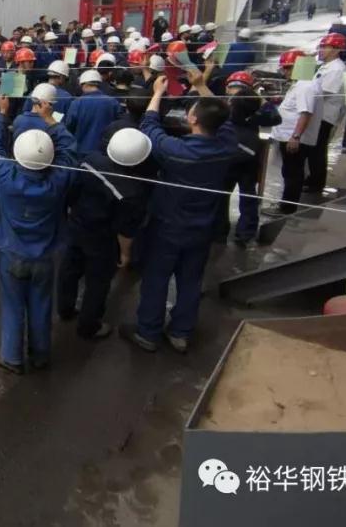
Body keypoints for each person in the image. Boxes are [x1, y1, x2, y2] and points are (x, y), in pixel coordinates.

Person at [121, 75, 234, 354]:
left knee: (156, 278)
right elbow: (224, 118)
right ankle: (181, 332)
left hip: (167, 226)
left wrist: (158, 92)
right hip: (202, 227)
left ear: (193, 119)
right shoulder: (226, 146)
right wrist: (201, 84)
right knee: (191, 281)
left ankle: (148, 332)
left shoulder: (178, 151)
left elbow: (149, 127)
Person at [0, 94, 76, 373]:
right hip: (44, 255)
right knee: (41, 305)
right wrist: (50, 120)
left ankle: (12, 357)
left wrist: (2, 114)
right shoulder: (58, 179)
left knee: (12, 305)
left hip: (11, 253)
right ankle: (40, 354)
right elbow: (70, 151)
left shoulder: (5, 175)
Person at [57, 127, 152, 339]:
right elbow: (126, 229)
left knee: (69, 269)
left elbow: (72, 190)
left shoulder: (90, 160)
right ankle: (88, 326)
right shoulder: (133, 192)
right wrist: (125, 253)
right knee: (97, 282)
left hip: (76, 225)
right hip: (102, 239)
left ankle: (65, 308)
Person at [214, 70, 280, 246]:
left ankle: (221, 232)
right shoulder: (254, 111)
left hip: (229, 158)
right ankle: (244, 233)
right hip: (247, 157)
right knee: (246, 196)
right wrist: (260, 99)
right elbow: (275, 117)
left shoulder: (223, 109)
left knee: (224, 195)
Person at [270, 49, 323, 214]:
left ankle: (287, 208)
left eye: (288, 67)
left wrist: (295, 136)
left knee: (292, 173)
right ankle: (286, 204)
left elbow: (306, 113)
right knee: (289, 172)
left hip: (292, 138)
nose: (285, 71)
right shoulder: (301, 83)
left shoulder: (305, 86)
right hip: (288, 136)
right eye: (284, 68)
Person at [305, 32, 346, 194]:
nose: (322, 50)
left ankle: (316, 183)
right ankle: (312, 178)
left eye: (326, 47)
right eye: (321, 46)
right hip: (318, 114)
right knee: (313, 149)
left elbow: (322, 92)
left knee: (317, 150)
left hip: (324, 116)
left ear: (337, 50)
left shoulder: (336, 69)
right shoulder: (326, 66)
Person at [63, 70, 121, 158]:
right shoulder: (113, 102)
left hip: (81, 151)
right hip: (105, 152)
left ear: (84, 84)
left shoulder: (77, 103)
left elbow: (69, 126)